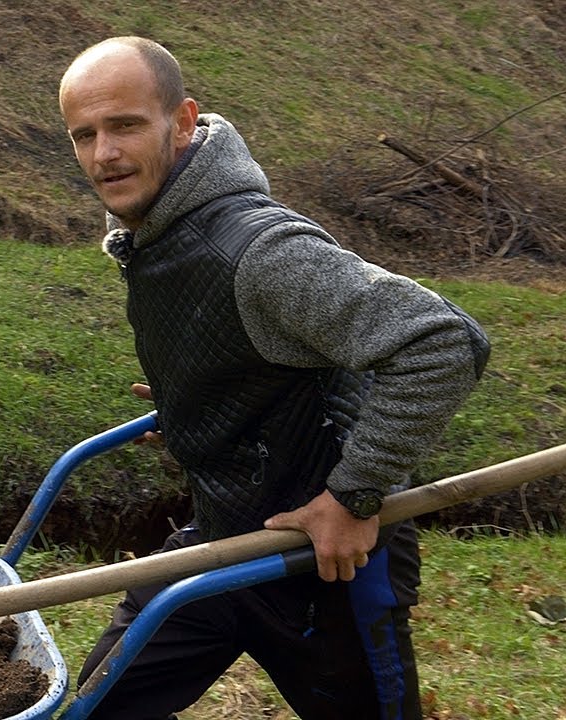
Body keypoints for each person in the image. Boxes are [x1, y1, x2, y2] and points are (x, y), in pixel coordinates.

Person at [57, 37, 490, 720]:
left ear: (183, 122)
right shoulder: (158, 232)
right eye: (85, 134)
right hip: (226, 540)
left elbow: (442, 342)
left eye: (125, 125)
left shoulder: (258, 249)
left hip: (329, 566)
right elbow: (257, 354)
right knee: (98, 708)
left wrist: (353, 495)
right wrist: (198, 403)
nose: (103, 152)